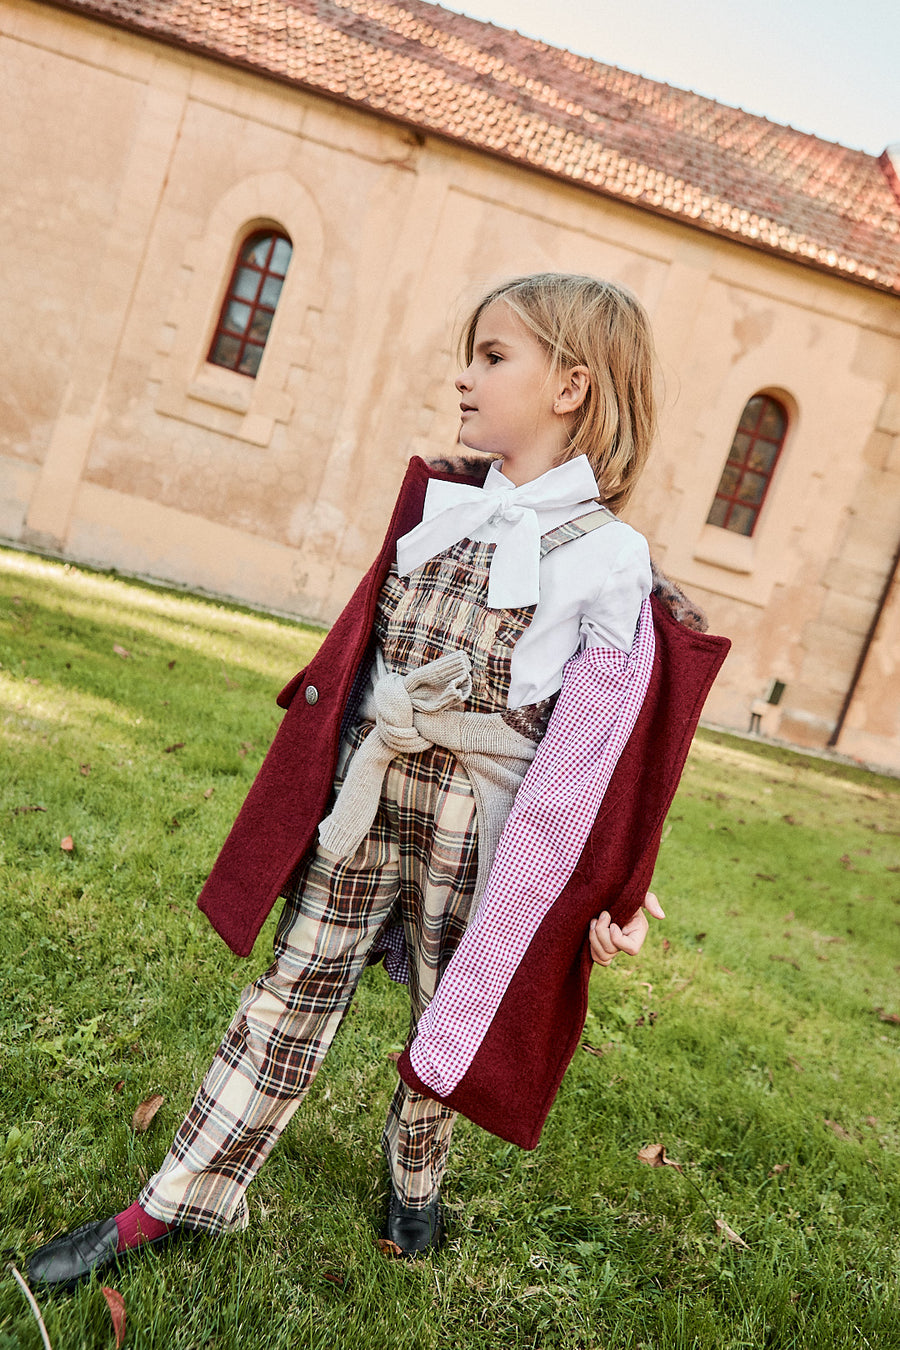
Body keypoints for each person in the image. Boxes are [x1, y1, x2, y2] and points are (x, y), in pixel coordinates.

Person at [27, 272, 720, 1291]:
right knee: (288, 988)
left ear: (571, 386)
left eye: (492, 358)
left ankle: (415, 1173)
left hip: (484, 827)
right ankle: (182, 1196)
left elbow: (603, 751)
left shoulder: (609, 560)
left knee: (454, 1005)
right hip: (367, 790)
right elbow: (367, 657)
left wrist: (617, 878)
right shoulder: (442, 503)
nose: (463, 377)